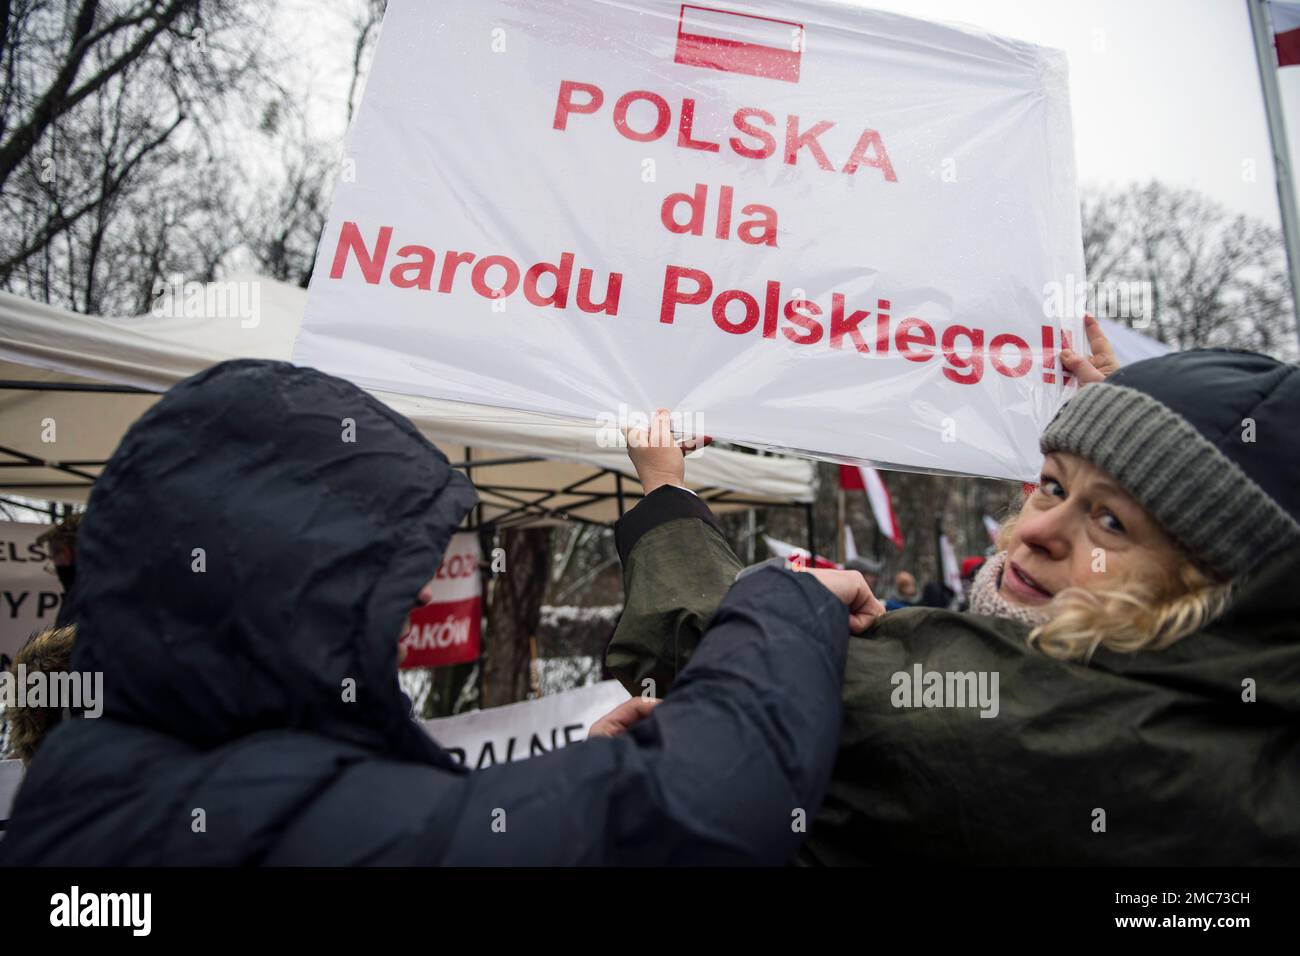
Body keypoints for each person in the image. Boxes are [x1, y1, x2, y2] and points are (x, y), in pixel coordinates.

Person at [0, 359, 867, 866]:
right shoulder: (197, 817)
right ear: (272, 562)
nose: (420, 593)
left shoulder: (131, 774)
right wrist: (782, 599)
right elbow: (697, 809)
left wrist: (538, 780)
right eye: (384, 564)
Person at [607, 344, 1300, 864]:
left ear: (1214, 589)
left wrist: (668, 492)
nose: (1034, 530)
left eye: (1111, 524)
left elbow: (723, 663)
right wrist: (1147, 426)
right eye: (1053, 486)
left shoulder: (1026, 721)